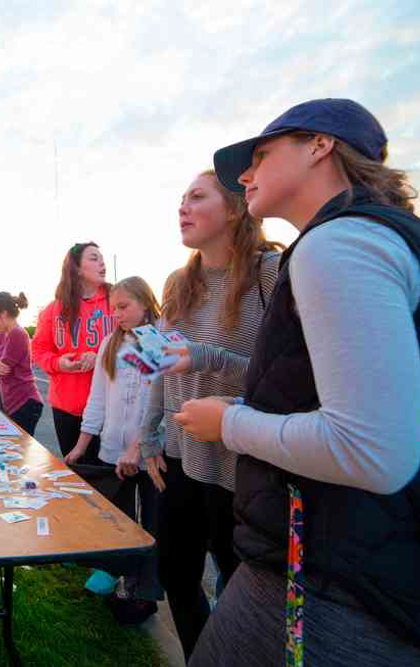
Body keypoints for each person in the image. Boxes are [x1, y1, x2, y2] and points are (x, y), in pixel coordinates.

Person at [178, 99, 420, 666]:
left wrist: (230, 423)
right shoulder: (392, 239)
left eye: (261, 154)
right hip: (381, 570)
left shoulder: (338, 244)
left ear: (320, 145)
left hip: (331, 585)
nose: (246, 174)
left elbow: (371, 451)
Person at [137, 169, 282, 660]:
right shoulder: (179, 281)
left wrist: (206, 357)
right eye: (180, 198)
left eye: (196, 197)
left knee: (242, 594)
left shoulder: (271, 273)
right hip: (179, 457)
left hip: (242, 466)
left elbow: (283, 383)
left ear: (237, 209)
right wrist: (147, 435)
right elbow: (159, 362)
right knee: (176, 575)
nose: (182, 207)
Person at [69, 276, 164, 624]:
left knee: (151, 527)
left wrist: (138, 449)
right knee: (118, 522)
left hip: (149, 457)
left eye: (124, 307)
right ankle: (113, 578)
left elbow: (156, 401)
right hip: (112, 452)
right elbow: (97, 401)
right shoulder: (110, 344)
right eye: (114, 309)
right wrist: (81, 446)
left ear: (145, 302)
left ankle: (143, 594)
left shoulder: (156, 342)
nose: (117, 315)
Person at [32, 243, 115, 461]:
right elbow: (39, 350)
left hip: (110, 410)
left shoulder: (116, 301)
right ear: (77, 268)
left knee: (110, 485)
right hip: (66, 410)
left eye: (102, 258)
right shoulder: (54, 309)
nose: (102, 263)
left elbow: (134, 346)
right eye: (94, 258)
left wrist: (101, 357)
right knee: (78, 477)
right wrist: (59, 363)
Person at [0, 291, 44, 436]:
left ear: (3, 314)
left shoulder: (18, 334)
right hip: (9, 399)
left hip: (24, 401)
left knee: (19, 452)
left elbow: (4, 369)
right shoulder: (1, 335)